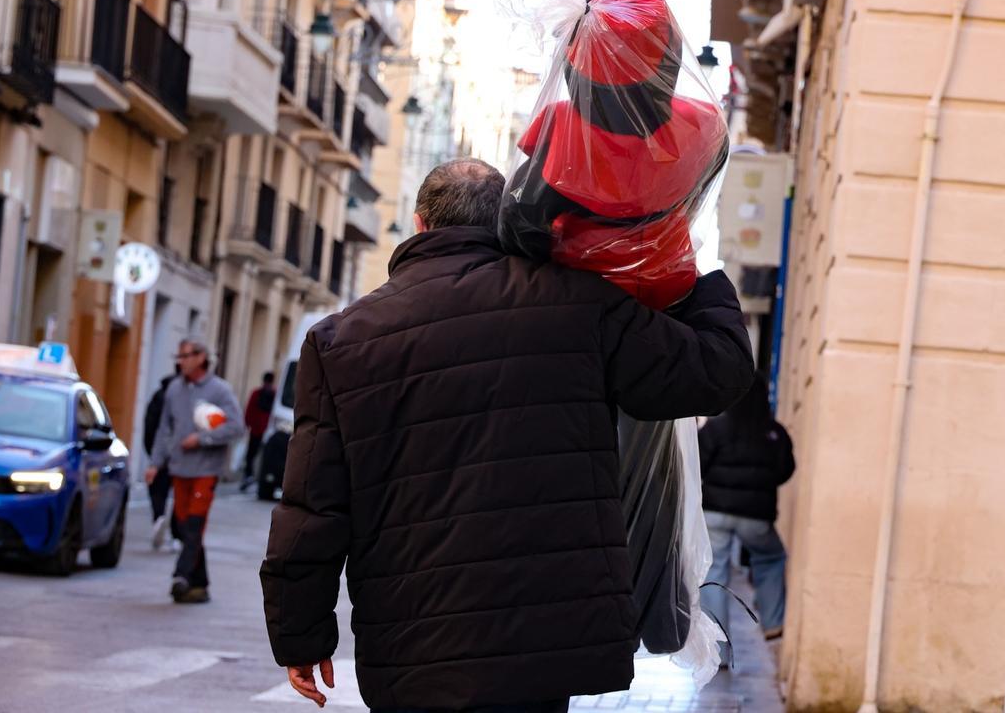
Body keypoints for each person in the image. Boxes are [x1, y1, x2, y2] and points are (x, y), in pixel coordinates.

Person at [260, 158, 754, 712]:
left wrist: (301, 635)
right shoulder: (577, 304)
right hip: (542, 643)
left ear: (419, 225)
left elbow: (313, 508)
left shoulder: (341, 341)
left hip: (412, 642)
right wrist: (694, 268)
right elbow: (715, 373)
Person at [697, 371, 796, 666]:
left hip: (715, 512)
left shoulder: (716, 428)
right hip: (756, 517)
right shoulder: (774, 433)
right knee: (771, 558)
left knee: (715, 574)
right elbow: (785, 470)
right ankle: (773, 622)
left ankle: (719, 652)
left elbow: (698, 464)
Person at [146, 339, 245, 604]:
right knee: (183, 526)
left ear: (201, 357)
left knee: (194, 524)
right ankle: (200, 584)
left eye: (186, 356)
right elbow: (164, 429)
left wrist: (202, 439)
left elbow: (236, 426)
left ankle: (181, 576)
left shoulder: (220, 390)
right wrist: (155, 463)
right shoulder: (174, 389)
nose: (180, 361)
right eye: (178, 356)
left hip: (206, 469)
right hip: (179, 468)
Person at [143, 367, 182, 550]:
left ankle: (159, 516)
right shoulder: (185, 396)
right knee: (180, 495)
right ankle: (176, 534)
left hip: (160, 454)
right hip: (182, 454)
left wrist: (152, 452)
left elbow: (149, 424)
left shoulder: (159, 395)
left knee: (157, 490)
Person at [240, 371, 276, 492]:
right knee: (257, 455)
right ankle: (253, 477)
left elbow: (249, 409)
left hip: (257, 430)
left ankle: (249, 476)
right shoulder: (274, 394)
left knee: (251, 455)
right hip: (266, 431)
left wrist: (247, 424)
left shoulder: (257, 393)